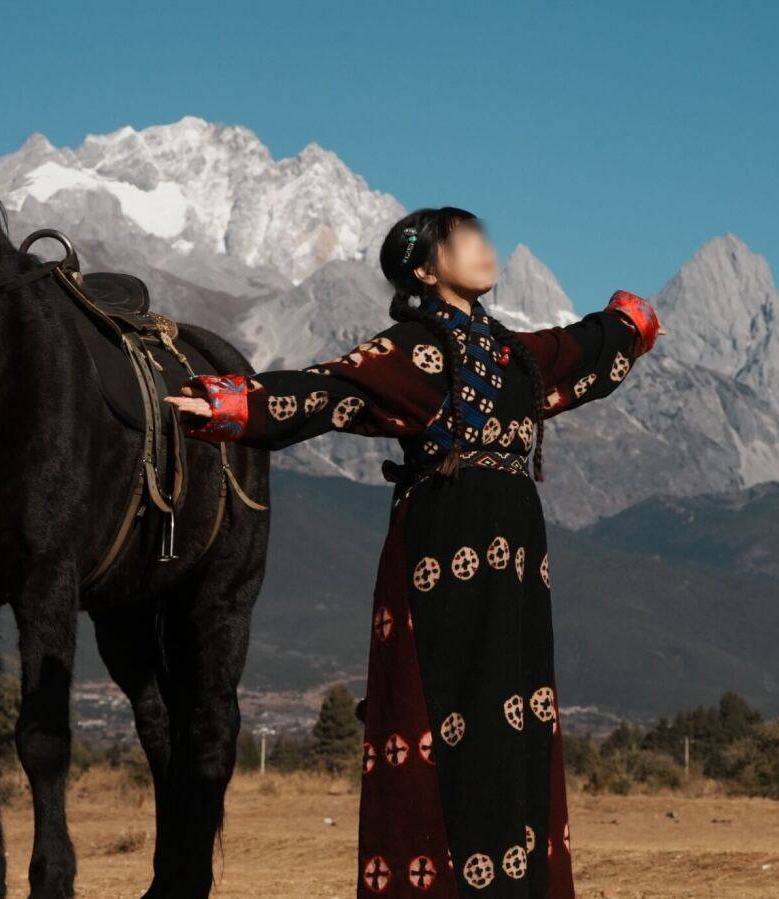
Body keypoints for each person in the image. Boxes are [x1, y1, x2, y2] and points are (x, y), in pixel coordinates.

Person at [164, 207, 663, 896]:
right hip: (441, 555)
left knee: (517, 725)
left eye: (483, 235)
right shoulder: (414, 351)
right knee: (442, 715)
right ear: (426, 270)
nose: (485, 248)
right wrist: (231, 405)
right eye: (464, 240)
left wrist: (629, 324)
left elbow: (580, 348)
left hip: (518, 561)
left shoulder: (516, 354)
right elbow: (330, 389)